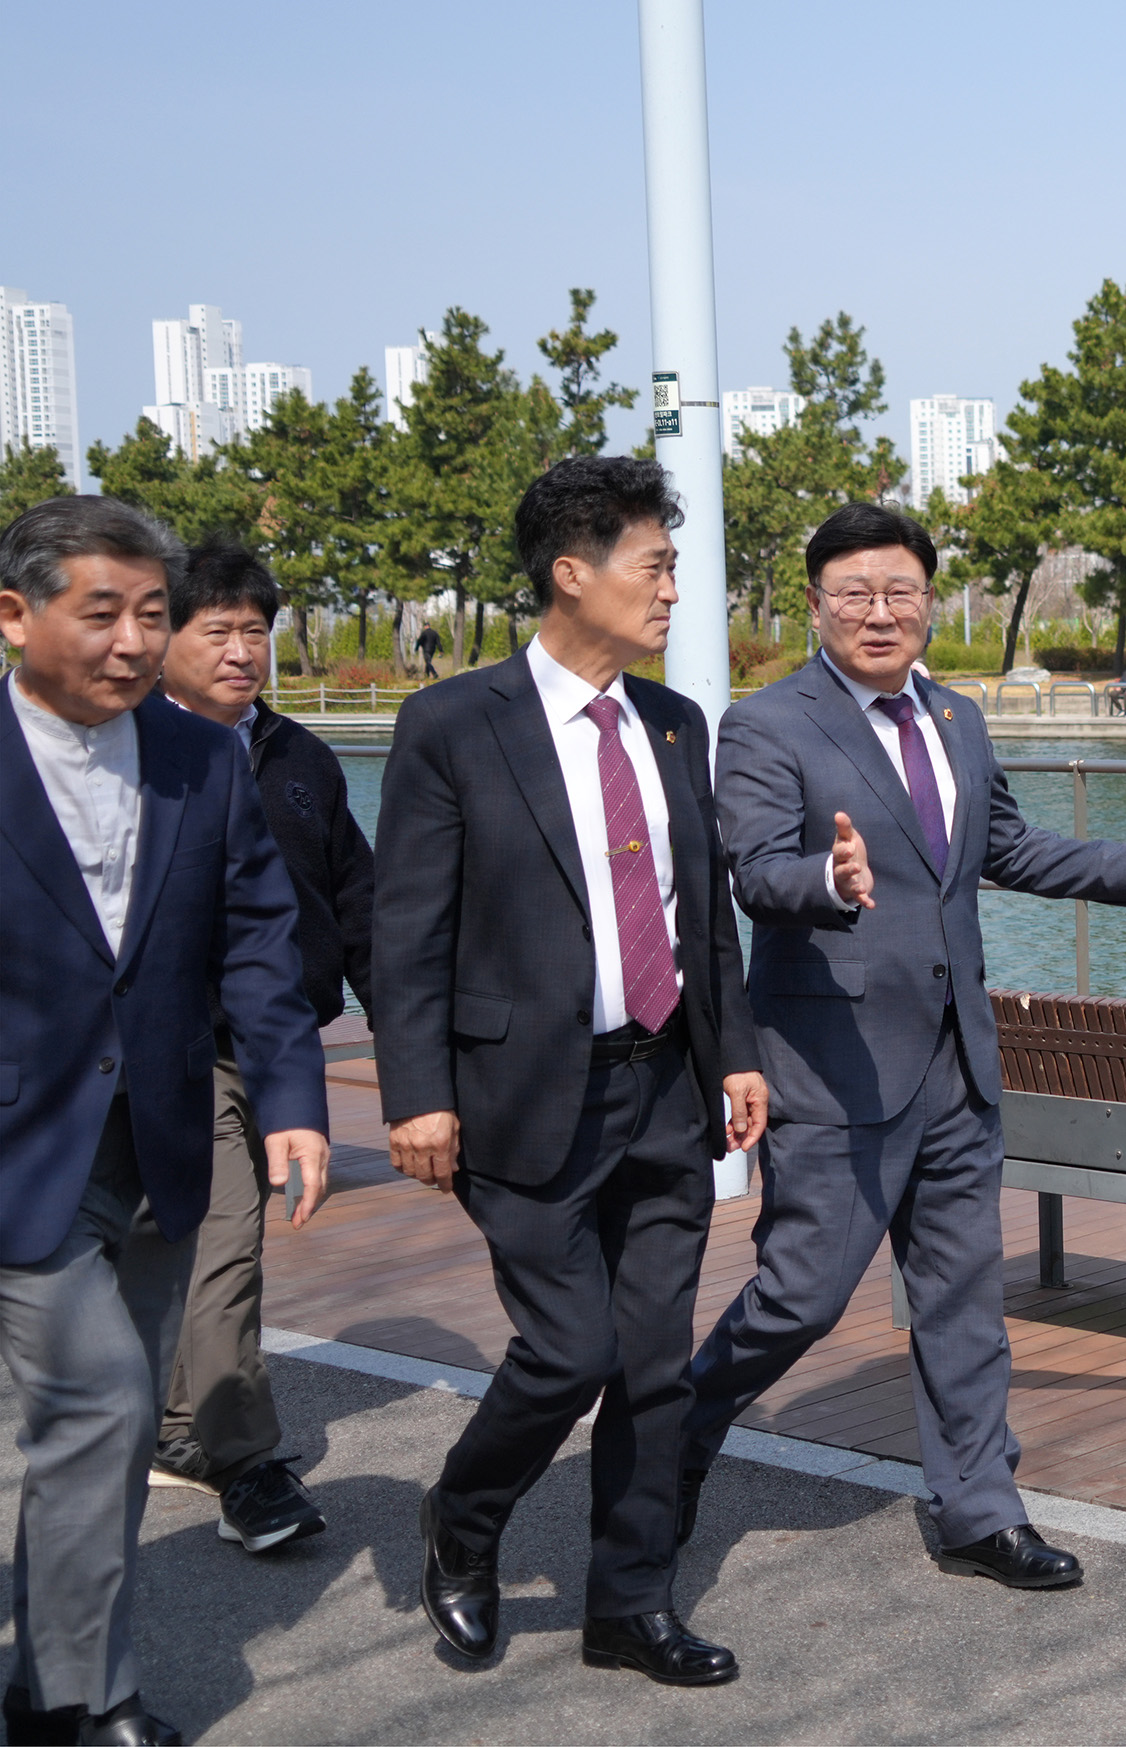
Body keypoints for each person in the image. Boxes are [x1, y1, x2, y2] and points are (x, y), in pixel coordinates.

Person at [678, 503, 1126, 1590]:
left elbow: (1007, 848)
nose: (879, 613)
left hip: (955, 1061)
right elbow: (750, 870)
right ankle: (672, 1440)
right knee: (800, 1293)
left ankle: (980, 1510)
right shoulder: (766, 724)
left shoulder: (957, 717)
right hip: (835, 1063)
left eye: (900, 591)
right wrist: (826, 883)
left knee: (960, 1300)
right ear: (813, 606)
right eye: (853, 593)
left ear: (930, 602)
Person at [371, 457, 768, 1684]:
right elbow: (408, 931)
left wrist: (735, 1056)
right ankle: (465, 1519)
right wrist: (416, 1094)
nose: (671, 596)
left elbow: (700, 914)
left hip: (665, 1083)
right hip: (522, 1091)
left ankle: (628, 1604)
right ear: (571, 573)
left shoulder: (671, 722)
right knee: (570, 1349)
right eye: (654, 569)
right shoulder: (453, 724)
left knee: (654, 1361)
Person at [0, 497, 330, 1747]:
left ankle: (44, 1682)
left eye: (153, 614)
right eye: (104, 614)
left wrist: (293, 1102)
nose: (135, 643)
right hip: (18, 1151)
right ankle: (87, 1706)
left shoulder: (200, 757)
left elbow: (256, 939)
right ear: (15, 615)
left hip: (162, 1139)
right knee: (102, 1408)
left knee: (109, 1411)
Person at [149, 537, 375, 1556]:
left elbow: (362, 906)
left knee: (189, 1248)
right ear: (164, 638)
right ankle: (245, 1461)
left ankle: (178, 1423)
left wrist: (409, 1051)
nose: (243, 650)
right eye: (218, 630)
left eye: (256, 630)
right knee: (226, 1239)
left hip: (282, 1039)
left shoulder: (300, 758)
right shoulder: (134, 754)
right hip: (174, 1044)